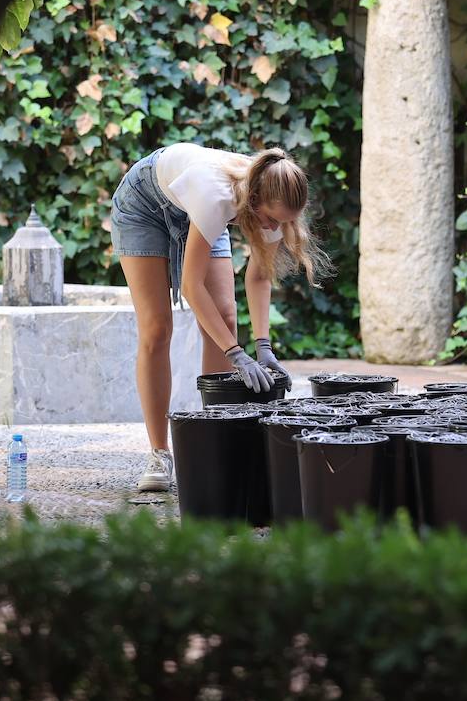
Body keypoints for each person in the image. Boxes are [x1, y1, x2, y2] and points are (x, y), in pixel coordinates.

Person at [110, 143, 326, 491]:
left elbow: (258, 276)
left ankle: (213, 440)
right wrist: (236, 354)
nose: (274, 228)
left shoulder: (272, 202)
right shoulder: (215, 197)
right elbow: (193, 287)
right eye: (271, 220)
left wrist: (263, 345)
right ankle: (159, 453)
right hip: (144, 205)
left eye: (282, 222)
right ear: (254, 200)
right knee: (156, 328)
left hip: (192, 207)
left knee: (225, 318)